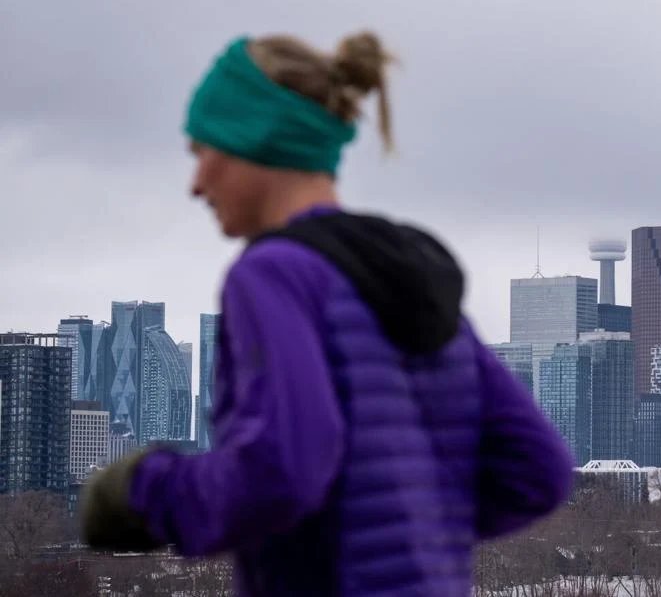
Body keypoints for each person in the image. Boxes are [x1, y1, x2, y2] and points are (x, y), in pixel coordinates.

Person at [81, 31, 575, 596]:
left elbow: (285, 469)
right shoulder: (407, 273)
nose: (195, 185)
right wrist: (415, 536)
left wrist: (143, 492)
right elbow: (538, 471)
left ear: (254, 142)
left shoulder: (275, 274)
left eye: (202, 152)